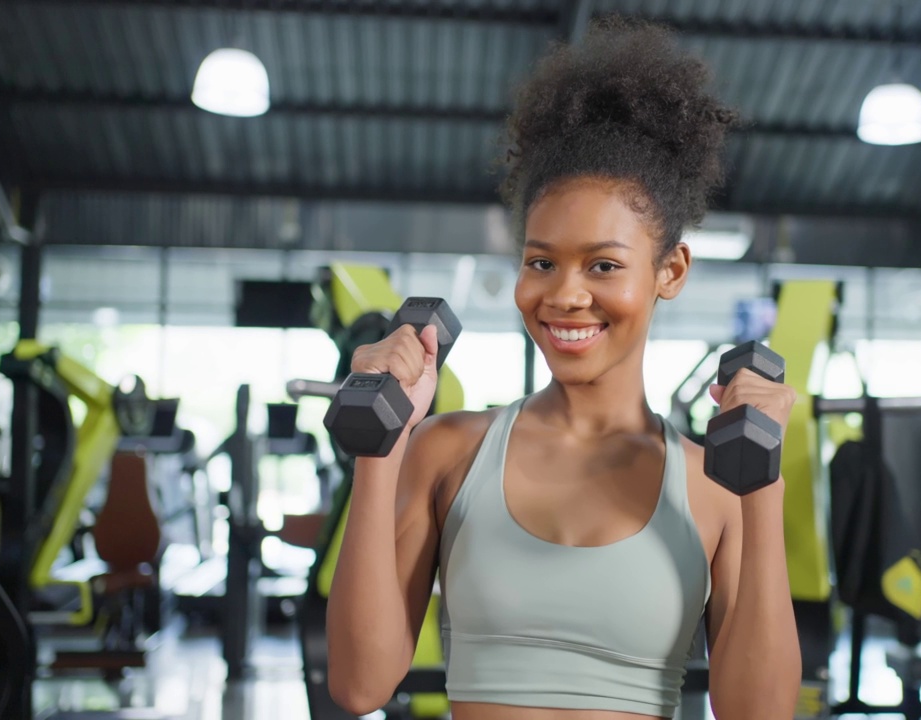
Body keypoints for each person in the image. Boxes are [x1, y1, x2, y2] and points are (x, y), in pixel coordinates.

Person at [327, 16, 800, 720]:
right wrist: (381, 447)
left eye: (603, 265)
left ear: (670, 271)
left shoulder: (714, 486)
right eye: (541, 261)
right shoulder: (450, 453)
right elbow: (360, 685)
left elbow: (756, 715)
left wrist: (762, 489)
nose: (564, 295)